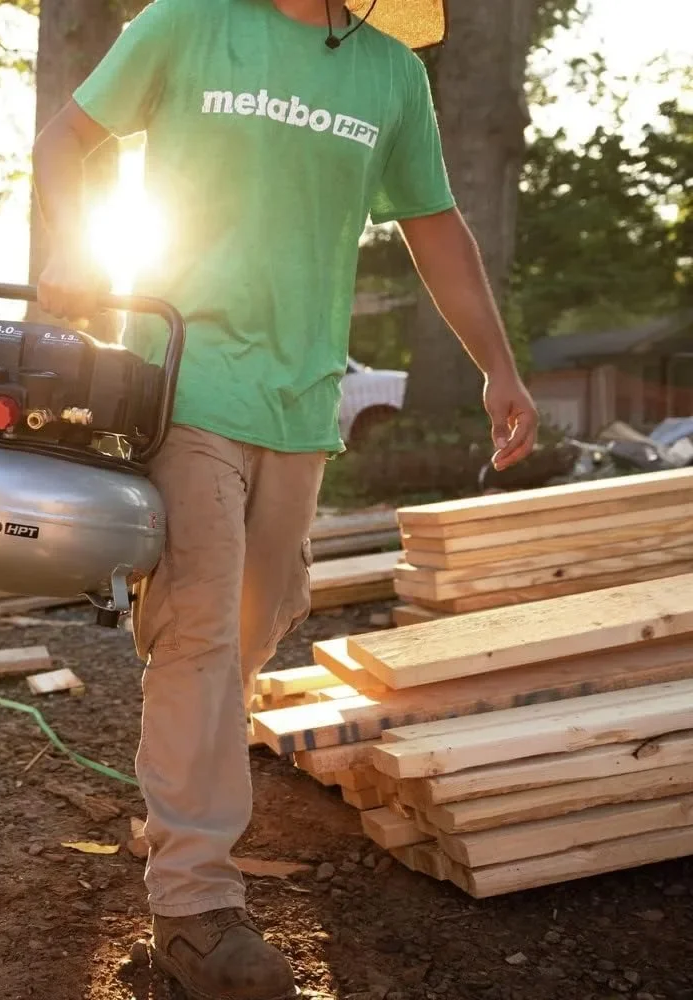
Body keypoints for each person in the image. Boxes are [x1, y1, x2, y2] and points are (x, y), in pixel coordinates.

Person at [32, 1, 539, 996]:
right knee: (202, 635)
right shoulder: (186, 23)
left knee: (260, 620)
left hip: (303, 399)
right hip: (181, 378)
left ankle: (176, 783)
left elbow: (434, 225)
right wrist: (76, 249)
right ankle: (193, 914)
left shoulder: (389, 75)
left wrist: (499, 368)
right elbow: (68, 139)